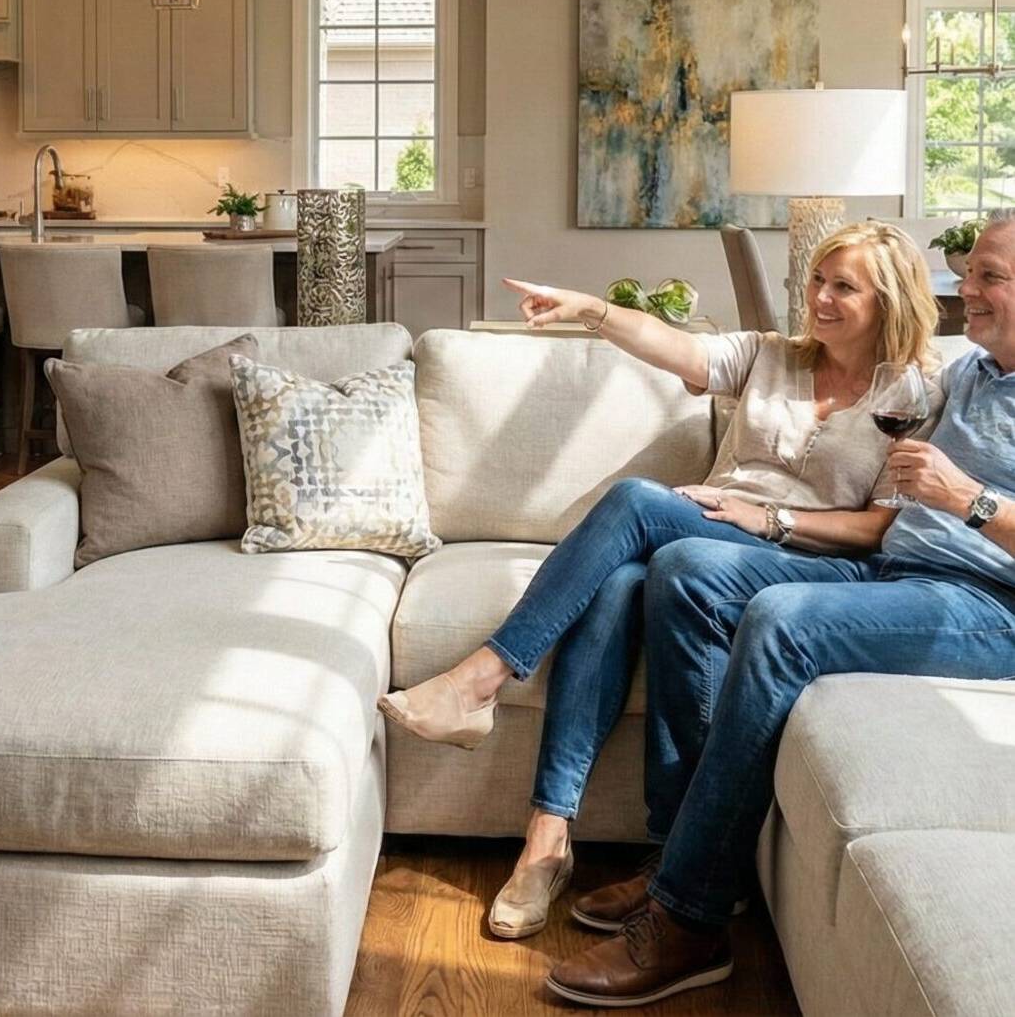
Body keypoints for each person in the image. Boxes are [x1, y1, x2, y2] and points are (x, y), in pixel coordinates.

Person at [378, 222, 941, 945]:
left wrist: (768, 517)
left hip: (813, 559)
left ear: (887, 300)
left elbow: (878, 530)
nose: (820, 298)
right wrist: (589, 309)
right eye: (817, 281)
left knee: (638, 502)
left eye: (843, 287)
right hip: (712, 537)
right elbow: (670, 344)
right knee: (618, 588)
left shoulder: (914, 396)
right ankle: (546, 840)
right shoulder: (773, 356)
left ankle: (480, 679)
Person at [545, 211, 1015, 1008]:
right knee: (687, 570)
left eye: (988, 278)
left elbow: (957, 501)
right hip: (895, 574)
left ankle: (690, 919)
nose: (964, 290)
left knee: (779, 621)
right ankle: (676, 853)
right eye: (968, 273)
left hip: (986, 604)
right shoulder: (968, 370)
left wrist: (969, 499)